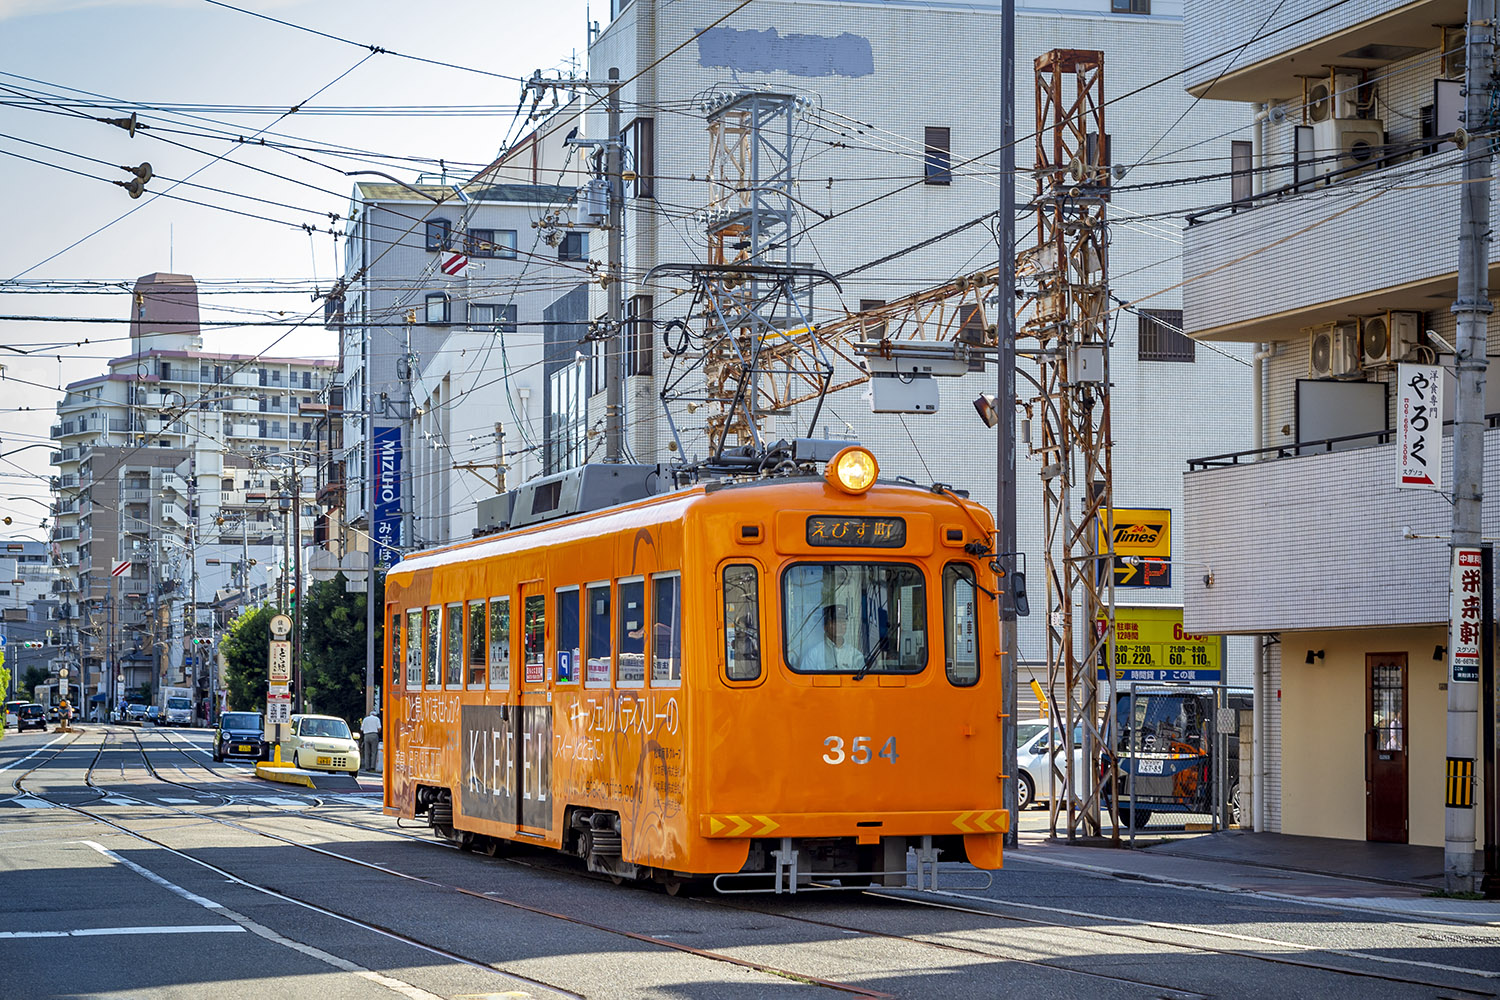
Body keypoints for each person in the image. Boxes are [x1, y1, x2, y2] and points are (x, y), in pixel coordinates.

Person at [802, 606, 862, 672]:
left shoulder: (855, 655)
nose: (839, 625)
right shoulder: (813, 655)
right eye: (834, 622)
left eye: (842, 621)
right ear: (825, 626)